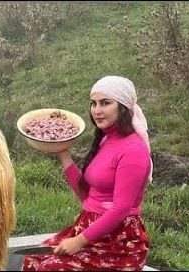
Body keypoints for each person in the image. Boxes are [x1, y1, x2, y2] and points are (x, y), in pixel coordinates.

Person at [22, 75, 153, 271]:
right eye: (94, 103)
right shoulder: (106, 140)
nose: (97, 111)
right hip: (90, 230)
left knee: (49, 268)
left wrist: (79, 242)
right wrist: (62, 152)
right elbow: (87, 196)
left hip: (118, 242)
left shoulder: (133, 150)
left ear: (123, 107)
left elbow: (121, 209)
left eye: (105, 103)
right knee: (33, 260)